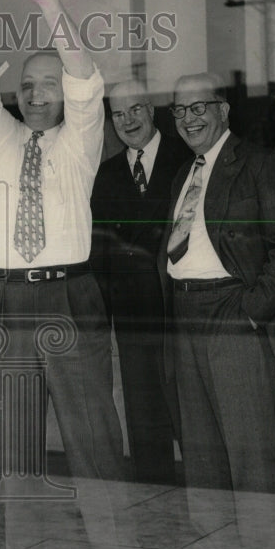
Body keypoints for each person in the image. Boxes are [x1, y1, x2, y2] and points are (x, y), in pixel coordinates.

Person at [0, 0, 136, 549]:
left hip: (70, 298)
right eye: (27, 86)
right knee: (18, 453)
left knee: (94, 444)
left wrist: (45, 3)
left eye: (48, 86)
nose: (36, 95)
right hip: (5, 303)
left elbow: (88, 76)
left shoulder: (81, 141)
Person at [158, 72, 275, 549]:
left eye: (199, 107)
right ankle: (212, 547)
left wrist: (250, 312)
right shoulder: (185, 172)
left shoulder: (261, 163)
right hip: (185, 314)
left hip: (232, 311)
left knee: (248, 444)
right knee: (199, 446)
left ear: (224, 110)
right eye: (179, 111)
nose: (189, 118)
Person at [90, 79, 189, 484]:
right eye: (118, 114)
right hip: (132, 317)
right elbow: (101, 250)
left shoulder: (188, 157)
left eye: (135, 110)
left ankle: (214, 495)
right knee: (144, 414)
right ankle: (157, 499)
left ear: (151, 110)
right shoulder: (106, 174)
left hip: (182, 310)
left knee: (192, 412)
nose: (127, 121)